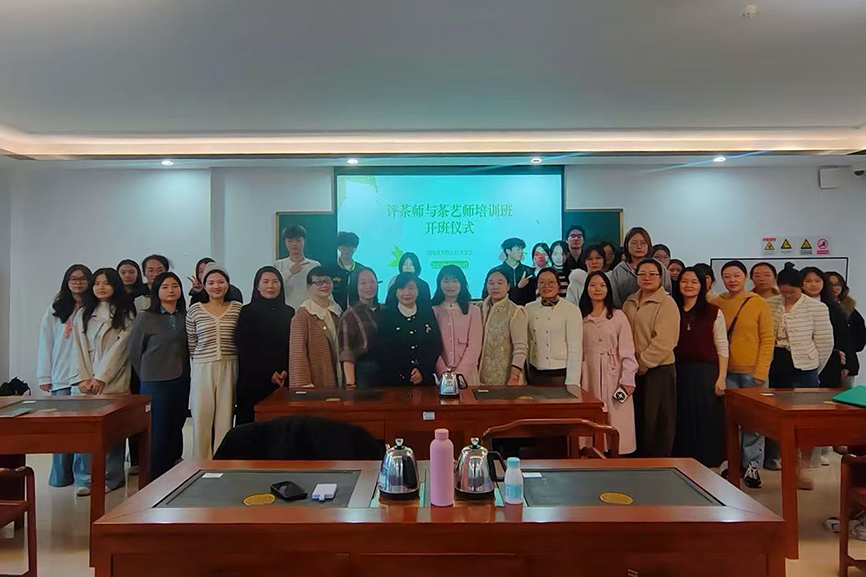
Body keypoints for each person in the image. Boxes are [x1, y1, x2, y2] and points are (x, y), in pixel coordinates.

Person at [69, 268, 136, 496]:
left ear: (115, 286)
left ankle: (112, 477)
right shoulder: (83, 313)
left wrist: (101, 378)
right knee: (84, 433)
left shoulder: (125, 313)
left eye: (106, 283)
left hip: (112, 382)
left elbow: (120, 349)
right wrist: (82, 378)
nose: (101, 287)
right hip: (86, 384)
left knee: (113, 432)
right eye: (97, 283)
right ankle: (85, 478)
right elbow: (76, 348)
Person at [767, 264, 833, 489]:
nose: (787, 296)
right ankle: (785, 462)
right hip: (777, 363)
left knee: (806, 420)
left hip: (805, 366)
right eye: (783, 291)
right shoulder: (770, 303)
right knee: (779, 417)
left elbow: (825, 342)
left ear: (800, 288)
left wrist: (814, 367)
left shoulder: (817, 307)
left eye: (792, 292)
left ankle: (804, 466)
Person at [714, 260, 775, 488]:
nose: (732, 280)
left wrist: (761, 371)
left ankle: (752, 467)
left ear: (745, 277)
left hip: (752, 373)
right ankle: (732, 463)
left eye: (736, 275)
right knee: (730, 421)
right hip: (726, 372)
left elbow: (768, 339)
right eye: (727, 276)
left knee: (754, 423)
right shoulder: (717, 302)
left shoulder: (758, 303)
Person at [128, 272, 190, 480]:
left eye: (175, 286)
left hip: (181, 379)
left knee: (176, 426)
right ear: (157, 291)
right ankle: (156, 478)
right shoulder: (145, 317)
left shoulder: (185, 316)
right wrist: (146, 374)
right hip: (155, 382)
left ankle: (174, 473)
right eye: (165, 287)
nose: (171, 290)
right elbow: (134, 351)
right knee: (158, 431)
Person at [37, 264, 92, 488]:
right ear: (66, 282)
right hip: (60, 375)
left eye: (82, 278)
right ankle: (60, 477)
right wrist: (44, 375)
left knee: (83, 430)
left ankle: (83, 478)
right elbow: (45, 342)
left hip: (84, 376)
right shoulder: (55, 308)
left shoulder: (93, 308)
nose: (78, 282)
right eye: (73, 279)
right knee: (61, 430)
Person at [672, 268, 729, 468]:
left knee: (706, 417)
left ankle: (708, 461)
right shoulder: (672, 309)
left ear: (702, 285)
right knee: (681, 417)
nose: (688, 285)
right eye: (684, 281)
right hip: (678, 371)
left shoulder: (713, 311)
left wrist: (721, 377)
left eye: (694, 281)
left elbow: (722, 346)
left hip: (706, 372)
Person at [622, 259, 680, 457]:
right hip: (633, 369)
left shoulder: (666, 303)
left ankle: (658, 461)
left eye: (652, 274)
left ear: (661, 277)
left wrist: (644, 362)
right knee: (639, 417)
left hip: (659, 369)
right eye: (642, 274)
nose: (647, 278)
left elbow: (666, 339)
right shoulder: (630, 301)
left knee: (657, 420)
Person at [186, 263, 243, 459]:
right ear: (204, 285)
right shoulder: (195, 310)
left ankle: (222, 460)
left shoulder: (237, 308)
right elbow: (191, 341)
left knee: (225, 417)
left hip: (230, 364)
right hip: (203, 366)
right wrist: (201, 359)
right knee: (201, 415)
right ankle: (200, 461)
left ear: (228, 284)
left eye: (220, 282)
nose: (216, 286)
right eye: (210, 282)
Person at [578, 271, 638, 454]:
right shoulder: (580, 317)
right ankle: (591, 451)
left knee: (616, 415)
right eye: (593, 285)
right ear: (586, 289)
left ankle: (617, 452)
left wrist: (627, 380)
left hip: (614, 373)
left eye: (602, 285)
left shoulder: (618, 316)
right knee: (591, 414)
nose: (597, 289)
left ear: (608, 289)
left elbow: (627, 350)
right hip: (588, 373)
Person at [235, 266, 294, 424]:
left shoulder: (289, 312)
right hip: (253, 378)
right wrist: (269, 373)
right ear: (257, 286)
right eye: (266, 282)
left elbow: (293, 346)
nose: (271, 286)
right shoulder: (247, 312)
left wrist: (284, 371)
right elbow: (245, 347)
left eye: (275, 282)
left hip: (283, 378)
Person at [378, 273, 442, 386]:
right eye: (401, 288)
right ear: (396, 291)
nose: (406, 293)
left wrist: (422, 371)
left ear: (418, 291)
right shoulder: (387, 315)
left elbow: (435, 345)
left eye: (411, 288)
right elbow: (384, 350)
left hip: (425, 379)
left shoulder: (426, 312)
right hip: (395, 381)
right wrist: (407, 373)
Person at [525, 268, 583, 385]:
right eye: (542, 282)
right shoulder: (529, 308)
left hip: (560, 373)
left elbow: (575, 349)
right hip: (534, 372)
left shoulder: (571, 310)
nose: (546, 286)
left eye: (551, 282)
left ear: (558, 285)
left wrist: (573, 383)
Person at [289, 266, 343, 388]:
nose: (324, 285)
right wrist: (304, 385)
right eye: (318, 282)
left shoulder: (337, 311)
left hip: (338, 375)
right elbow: (297, 354)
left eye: (328, 281)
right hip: (316, 379)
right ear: (309, 286)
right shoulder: (302, 315)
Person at [432, 265, 482, 386]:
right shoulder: (432, 311)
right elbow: (431, 346)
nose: (450, 285)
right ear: (439, 284)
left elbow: (474, 346)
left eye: (455, 281)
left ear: (462, 284)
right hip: (440, 376)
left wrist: (460, 374)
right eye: (446, 281)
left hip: (467, 376)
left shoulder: (473, 311)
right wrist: (444, 373)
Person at [801, 267, 849, 388]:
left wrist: (847, 364)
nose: (813, 285)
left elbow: (844, 336)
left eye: (817, 281)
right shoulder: (794, 305)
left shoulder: (833, 307)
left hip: (831, 360)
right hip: (802, 360)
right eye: (808, 281)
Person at [479, 269, 528, 386]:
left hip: (508, 379)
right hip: (480, 378)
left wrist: (514, 376)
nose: (495, 287)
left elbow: (521, 348)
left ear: (508, 286)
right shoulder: (479, 309)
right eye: (491, 283)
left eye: (500, 283)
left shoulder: (515, 311)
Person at [339, 267, 382, 388]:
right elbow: (347, 353)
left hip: (388, 372)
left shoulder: (384, 310)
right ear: (355, 286)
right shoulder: (349, 315)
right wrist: (350, 384)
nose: (369, 286)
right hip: (364, 374)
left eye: (372, 281)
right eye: (363, 283)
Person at [608, 227, 672, 308]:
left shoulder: (659, 267)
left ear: (648, 245)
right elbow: (615, 298)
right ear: (627, 245)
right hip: (626, 312)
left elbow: (667, 292)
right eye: (634, 243)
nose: (639, 247)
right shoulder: (619, 270)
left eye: (643, 243)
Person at [826, 271, 866, 386]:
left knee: (844, 393)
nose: (835, 288)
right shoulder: (819, 305)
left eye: (838, 284)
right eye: (831, 285)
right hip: (825, 359)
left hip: (847, 360)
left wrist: (850, 352)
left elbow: (860, 331)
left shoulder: (848, 307)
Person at [275, 225, 322, 311]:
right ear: (285, 242)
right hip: (285, 311)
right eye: (290, 241)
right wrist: (290, 272)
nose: (294, 244)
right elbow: (275, 287)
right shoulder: (278, 265)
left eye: (298, 240)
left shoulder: (314, 265)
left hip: (310, 311)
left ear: (304, 241)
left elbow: (321, 289)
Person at [486, 238, 536, 306]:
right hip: (500, 309)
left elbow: (533, 296)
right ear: (508, 251)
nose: (521, 252)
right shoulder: (496, 272)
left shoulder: (528, 271)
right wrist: (518, 288)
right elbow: (486, 295)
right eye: (518, 249)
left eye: (522, 249)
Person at [330, 231, 365, 311]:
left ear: (355, 249)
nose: (347, 250)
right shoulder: (329, 268)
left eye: (350, 248)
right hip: (334, 311)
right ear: (338, 248)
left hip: (357, 312)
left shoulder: (361, 270)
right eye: (344, 247)